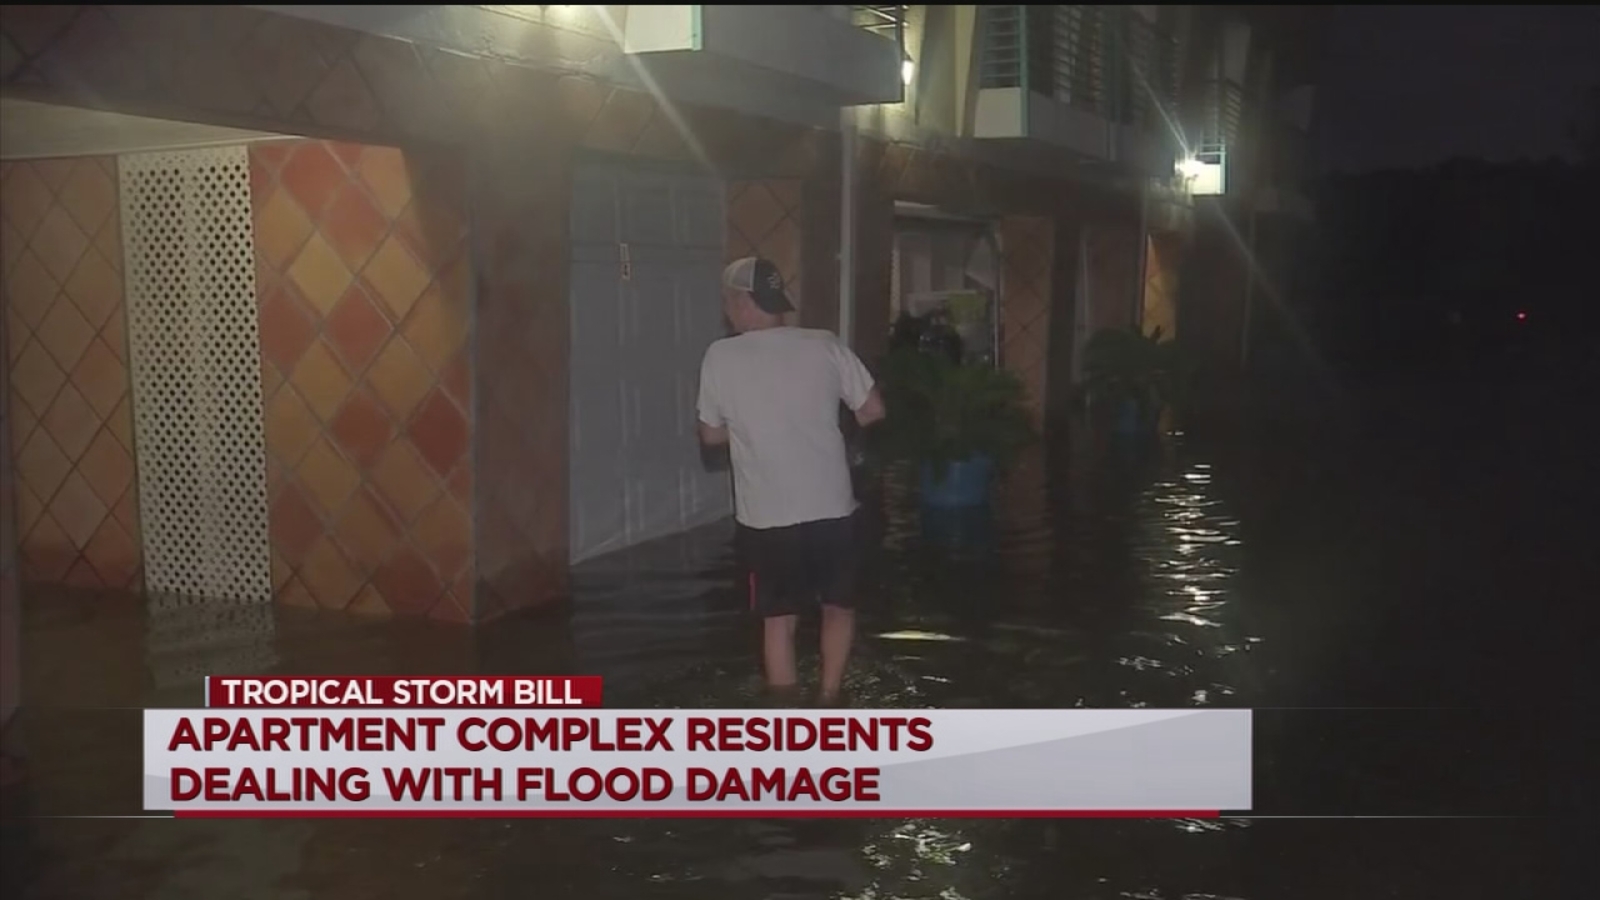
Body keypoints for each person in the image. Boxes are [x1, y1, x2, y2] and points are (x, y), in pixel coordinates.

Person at [696, 257, 885, 706]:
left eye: (728, 302)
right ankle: (829, 698)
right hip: (832, 507)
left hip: (767, 517)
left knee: (778, 620)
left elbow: (710, 434)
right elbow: (873, 410)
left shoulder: (720, 356)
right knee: (837, 607)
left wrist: (749, 427)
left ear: (742, 303)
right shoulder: (824, 344)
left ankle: (787, 719)